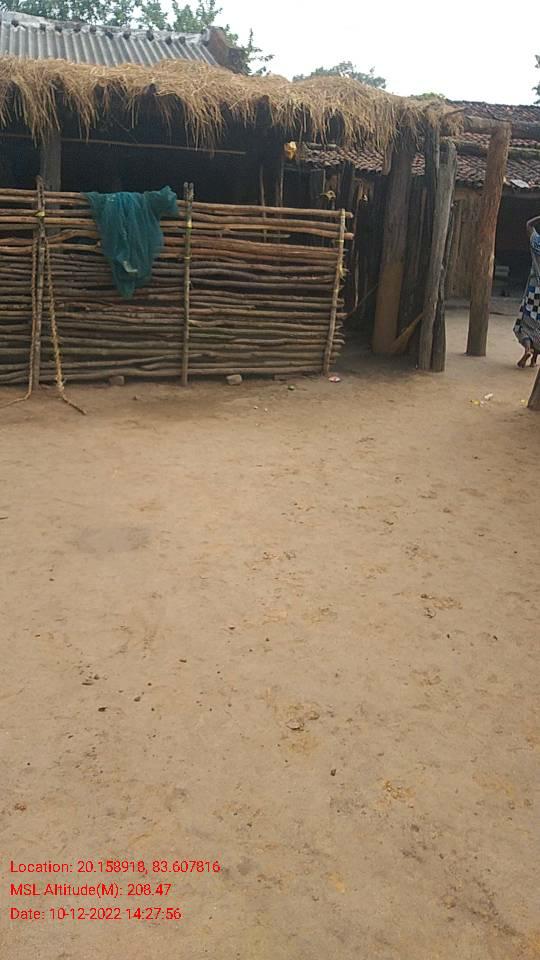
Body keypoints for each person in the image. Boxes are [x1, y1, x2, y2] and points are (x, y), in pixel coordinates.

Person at [514, 215, 540, 367]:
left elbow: (528, 224)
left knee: (525, 322)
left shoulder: (537, 242)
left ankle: (528, 348)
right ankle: (534, 359)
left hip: (533, 289)